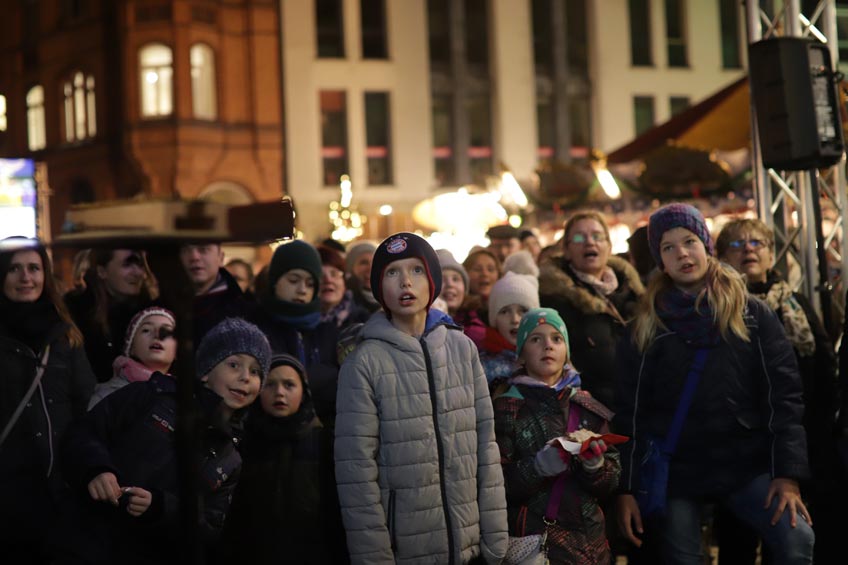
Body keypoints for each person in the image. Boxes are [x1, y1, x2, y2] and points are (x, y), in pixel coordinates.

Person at [614, 203, 814, 564]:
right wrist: (626, 488)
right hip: (678, 469)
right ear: (659, 258)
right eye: (668, 247)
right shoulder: (645, 326)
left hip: (744, 461)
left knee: (797, 539)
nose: (682, 254)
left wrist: (787, 474)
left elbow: (783, 397)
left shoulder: (751, 313)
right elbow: (630, 412)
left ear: (705, 244)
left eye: (689, 241)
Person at [335, 232, 508, 564]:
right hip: (405, 551)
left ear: (432, 280)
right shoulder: (364, 363)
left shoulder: (462, 349)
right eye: (392, 273)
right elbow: (356, 471)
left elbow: (486, 447)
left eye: (416, 270)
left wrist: (496, 540)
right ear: (378, 287)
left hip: (470, 547)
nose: (405, 283)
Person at [56, 317, 271, 564]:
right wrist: (96, 470)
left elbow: (209, 527)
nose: (245, 377)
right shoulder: (151, 395)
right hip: (87, 543)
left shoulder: (230, 457)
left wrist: (161, 507)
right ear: (205, 372)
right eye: (234, 365)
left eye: (256, 371)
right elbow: (83, 433)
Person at [716, 218, 840, 563]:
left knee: (786, 538)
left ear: (772, 255)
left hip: (795, 440)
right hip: (738, 448)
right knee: (737, 542)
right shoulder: (715, 306)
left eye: (758, 243)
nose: (749, 250)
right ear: (722, 257)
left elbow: (824, 368)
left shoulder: (795, 303)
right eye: (737, 245)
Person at [493, 308, 617, 564]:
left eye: (556, 339)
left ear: (567, 353)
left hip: (590, 548)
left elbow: (610, 483)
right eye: (536, 339)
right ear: (522, 354)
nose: (547, 345)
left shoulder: (588, 407)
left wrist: (596, 467)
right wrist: (537, 467)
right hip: (537, 545)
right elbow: (495, 484)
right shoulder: (506, 409)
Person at [0, 238, 96, 564]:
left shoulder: (65, 336)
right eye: (14, 269)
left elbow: (86, 406)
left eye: (34, 268)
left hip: (59, 491)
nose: (26, 277)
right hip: (7, 497)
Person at [219, 354, 347, 563]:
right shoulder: (243, 443)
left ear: (303, 391)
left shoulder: (325, 443)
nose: (279, 393)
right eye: (270, 384)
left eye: (289, 385)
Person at [538, 211, 644, 409]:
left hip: (645, 408)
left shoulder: (635, 292)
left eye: (597, 236)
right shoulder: (554, 301)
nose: (589, 242)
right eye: (579, 237)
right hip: (595, 416)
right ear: (566, 250)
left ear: (609, 246)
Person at [256, 240, 341, 425]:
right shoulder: (255, 328)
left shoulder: (327, 331)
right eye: (293, 280)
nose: (302, 290)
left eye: (310, 284)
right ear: (275, 281)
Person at [65, 248, 154, 383]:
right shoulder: (77, 310)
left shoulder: (149, 311)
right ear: (102, 271)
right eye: (127, 264)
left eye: (141, 265)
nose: (139, 273)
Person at [87, 307, 177, 409]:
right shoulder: (109, 394)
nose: (157, 335)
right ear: (131, 347)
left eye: (166, 332)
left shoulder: (183, 398)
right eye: (146, 330)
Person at [179, 242, 253, 342]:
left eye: (203, 249)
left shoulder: (245, 311)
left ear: (220, 258)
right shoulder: (168, 303)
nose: (194, 257)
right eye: (186, 250)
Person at [479, 271, 539, 386]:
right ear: (494, 320)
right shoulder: (483, 368)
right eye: (504, 311)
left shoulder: (550, 356)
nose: (515, 319)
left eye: (523, 311)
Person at [318, 244, 370, 330]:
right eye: (320, 275)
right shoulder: (297, 327)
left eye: (334, 274)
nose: (328, 280)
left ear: (344, 281)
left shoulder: (364, 321)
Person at [345, 240, 379, 313]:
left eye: (375, 262)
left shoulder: (394, 294)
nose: (370, 268)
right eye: (364, 263)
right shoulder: (344, 301)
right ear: (351, 268)